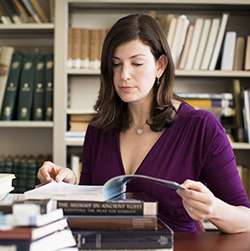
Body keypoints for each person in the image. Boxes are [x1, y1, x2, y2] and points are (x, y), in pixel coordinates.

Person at [38, 14, 250, 233]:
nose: (124, 75)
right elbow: (93, 204)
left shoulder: (201, 127)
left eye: (137, 63)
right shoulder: (98, 128)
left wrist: (214, 209)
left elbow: (246, 219)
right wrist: (68, 184)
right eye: (116, 64)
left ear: (160, 65)